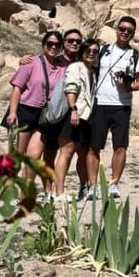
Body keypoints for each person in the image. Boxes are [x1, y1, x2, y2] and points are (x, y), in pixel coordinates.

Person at [18, 28, 88, 197]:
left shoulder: (83, 62)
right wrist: (25, 60)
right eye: (70, 40)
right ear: (64, 43)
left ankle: (52, 192)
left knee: (54, 155)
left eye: (78, 41)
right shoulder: (56, 61)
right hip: (50, 113)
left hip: (69, 116)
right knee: (35, 154)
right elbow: (41, 65)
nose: (74, 44)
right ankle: (29, 193)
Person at [5, 31, 68, 191]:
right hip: (25, 110)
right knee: (17, 155)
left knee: (33, 156)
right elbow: (17, 88)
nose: (53, 47)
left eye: (57, 45)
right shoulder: (31, 63)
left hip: (44, 115)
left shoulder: (63, 66)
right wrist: (12, 113)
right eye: (50, 44)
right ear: (43, 45)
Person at [88, 16, 139, 198]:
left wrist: (128, 85)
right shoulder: (103, 50)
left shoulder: (135, 55)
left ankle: (113, 184)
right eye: (122, 29)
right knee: (94, 146)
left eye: (129, 31)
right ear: (117, 29)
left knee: (120, 147)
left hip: (122, 105)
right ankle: (92, 186)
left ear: (133, 34)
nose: (125, 32)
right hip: (100, 103)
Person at [54, 39, 99, 201]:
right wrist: (73, 109)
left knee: (83, 153)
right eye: (88, 50)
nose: (91, 53)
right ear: (82, 52)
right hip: (74, 114)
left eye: (95, 51)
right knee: (66, 152)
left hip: (86, 117)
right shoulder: (75, 67)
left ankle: (83, 188)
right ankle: (59, 192)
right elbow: (70, 88)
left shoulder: (92, 71)